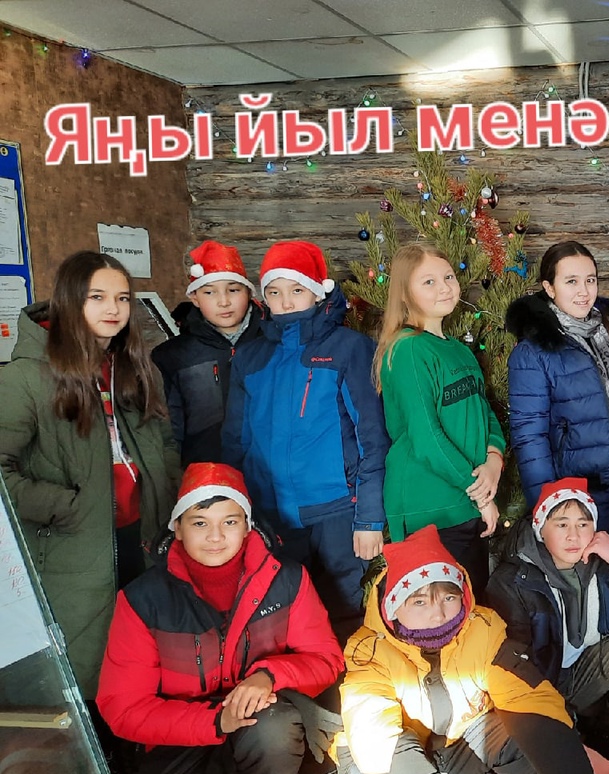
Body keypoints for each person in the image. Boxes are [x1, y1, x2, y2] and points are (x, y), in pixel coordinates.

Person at [96, 462, 345, 774]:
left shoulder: (287, 579)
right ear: (177, 528)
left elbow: (326, 658)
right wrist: (215, 721)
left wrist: (270, 674)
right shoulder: (143, 600)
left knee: (272, 725)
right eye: (200, 523)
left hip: (263, 712)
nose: (215, 536)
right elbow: (123, 707)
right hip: (182, 728)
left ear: (248, 526)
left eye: (230, 521)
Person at [335, 524, 609, 774]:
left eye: (448, 597)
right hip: (400, 752)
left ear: (462, 593)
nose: (439, 613)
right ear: (393, 607)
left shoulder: (482, 628)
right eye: (419, 601)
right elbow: (379, 748)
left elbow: (534, 704)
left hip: (458, 741)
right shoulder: (369, 651)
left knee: (521, 733)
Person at [0, 251, 179, 697]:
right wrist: (66, 507)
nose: (113, 309)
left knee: (141, 663)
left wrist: (167, 490)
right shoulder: (26, 377)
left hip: (143, 536)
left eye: (122, 298)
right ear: (69, 299)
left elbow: (165, 441)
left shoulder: (135, 367)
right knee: (88, 672)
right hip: (73, 545)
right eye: (97, 297)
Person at [223, 240, 388, 638]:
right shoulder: (250, 358)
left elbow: (372, 437)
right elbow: (235, 442)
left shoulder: (348, 349)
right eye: (274, 292)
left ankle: (347, 678)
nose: (286, 301)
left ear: (317, 292)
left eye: (296, 289)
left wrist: (369, 519)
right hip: (271, 516)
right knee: (282, 615)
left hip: (336, 512)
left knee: (344, 611)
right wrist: (236, 514)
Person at [487, 478, 609, 774]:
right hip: (539, 690)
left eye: (583, 524)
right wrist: (565, 733)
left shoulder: (601, 566)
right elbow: (518, 674)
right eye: (562, 524)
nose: (574, 535)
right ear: (541, 529)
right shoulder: (512, 581)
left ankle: (607, 740)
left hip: (580, 675)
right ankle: (575, 744)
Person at [507, 241, 609, 554]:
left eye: (590, 280)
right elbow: (529, 437)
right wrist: (549, 505)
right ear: (549, 288)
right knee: (592, 573)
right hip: (578, 494)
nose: (584, 292)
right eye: (571, 281)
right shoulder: (534, 351)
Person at [374, 242, 505, 591]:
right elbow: (426, 437)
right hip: (431, 508)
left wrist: (494, 460)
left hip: (465, 500)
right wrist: (481, 496)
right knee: (445, 611)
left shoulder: (458, 350)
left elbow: (485, 412)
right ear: (405, 294)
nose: (444, 287)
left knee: (473, 607)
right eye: (428, 282)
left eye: (448, 277)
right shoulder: (408, 349)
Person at [151, 240, 264, 466]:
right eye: (210, 292)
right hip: (204, 472)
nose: (224, 302)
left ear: (249, 293)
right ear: (195, 298)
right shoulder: (172, 356)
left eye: (233, 290)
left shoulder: (273, 345)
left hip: (267, 474)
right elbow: (169, 429)